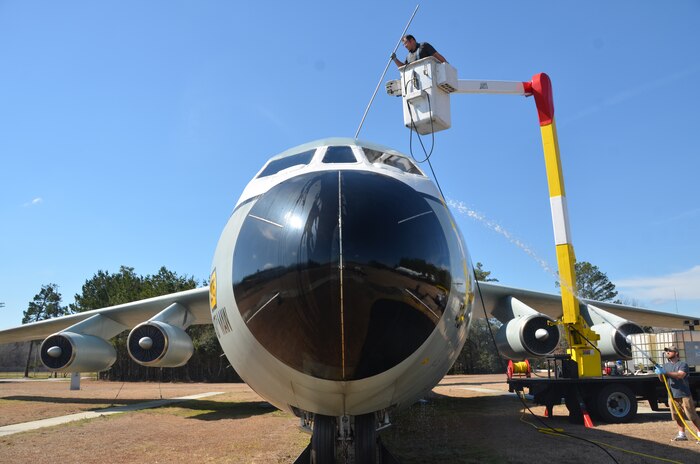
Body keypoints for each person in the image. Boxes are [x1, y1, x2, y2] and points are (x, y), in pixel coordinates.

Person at [655, 346, 700, 442]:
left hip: (684, 394)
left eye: (670, 351)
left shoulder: (682, 364)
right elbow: (662, 380)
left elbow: (680, 375)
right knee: (677, 415)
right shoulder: (666, 365)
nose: (667, 352)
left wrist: (666, 372)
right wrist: (659, 373)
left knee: (692, 415)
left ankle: (699, 434)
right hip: (672, 395)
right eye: (666, 351)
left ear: (676, 353)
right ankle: (682, 435)